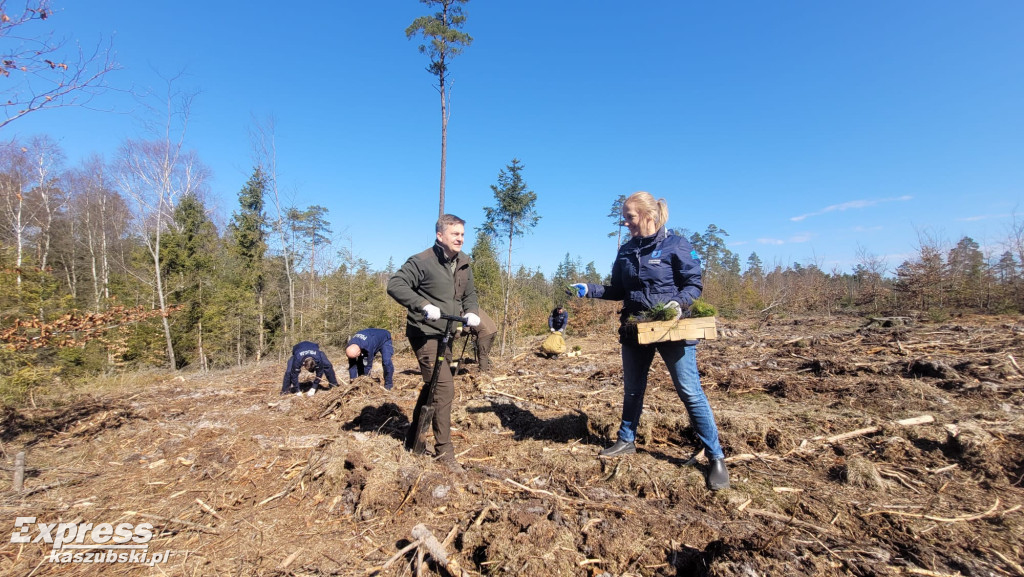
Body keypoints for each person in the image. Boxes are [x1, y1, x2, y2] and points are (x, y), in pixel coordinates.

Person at [568, 191, 730, 491]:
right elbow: (617, 289)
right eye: (625, 217)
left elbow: (694, 283)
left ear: (648, 215)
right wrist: (588, 289)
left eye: (629, 216)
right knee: (632, 390)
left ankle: (716, 457)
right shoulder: (627, 250)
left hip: (672, 329)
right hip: (635, 329)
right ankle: (626, 440)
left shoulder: (676, 244)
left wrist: (678, 304)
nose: (625, 222)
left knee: (689, 391)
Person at [387, 214, 481, 470]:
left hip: (448, 334)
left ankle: (413, 440)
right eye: (455, 234)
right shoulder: (422, 261)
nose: (460, 238)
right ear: (440, 236)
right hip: (425, 333)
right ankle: (444, 452)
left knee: (433, 388)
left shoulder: (464, 262)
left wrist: (471, 311)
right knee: (444, 388)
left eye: (462, 234)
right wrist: (423, 305)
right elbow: (395, 284)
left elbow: (470, 294)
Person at [464, 307, 497, 373]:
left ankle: (482, 372)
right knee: (485, 352)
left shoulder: (466, 312)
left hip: (485, 333)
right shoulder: (475, 308)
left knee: (482, 354)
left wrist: (457, 333)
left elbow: (465, 329)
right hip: (493, 330)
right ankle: (489, 366)